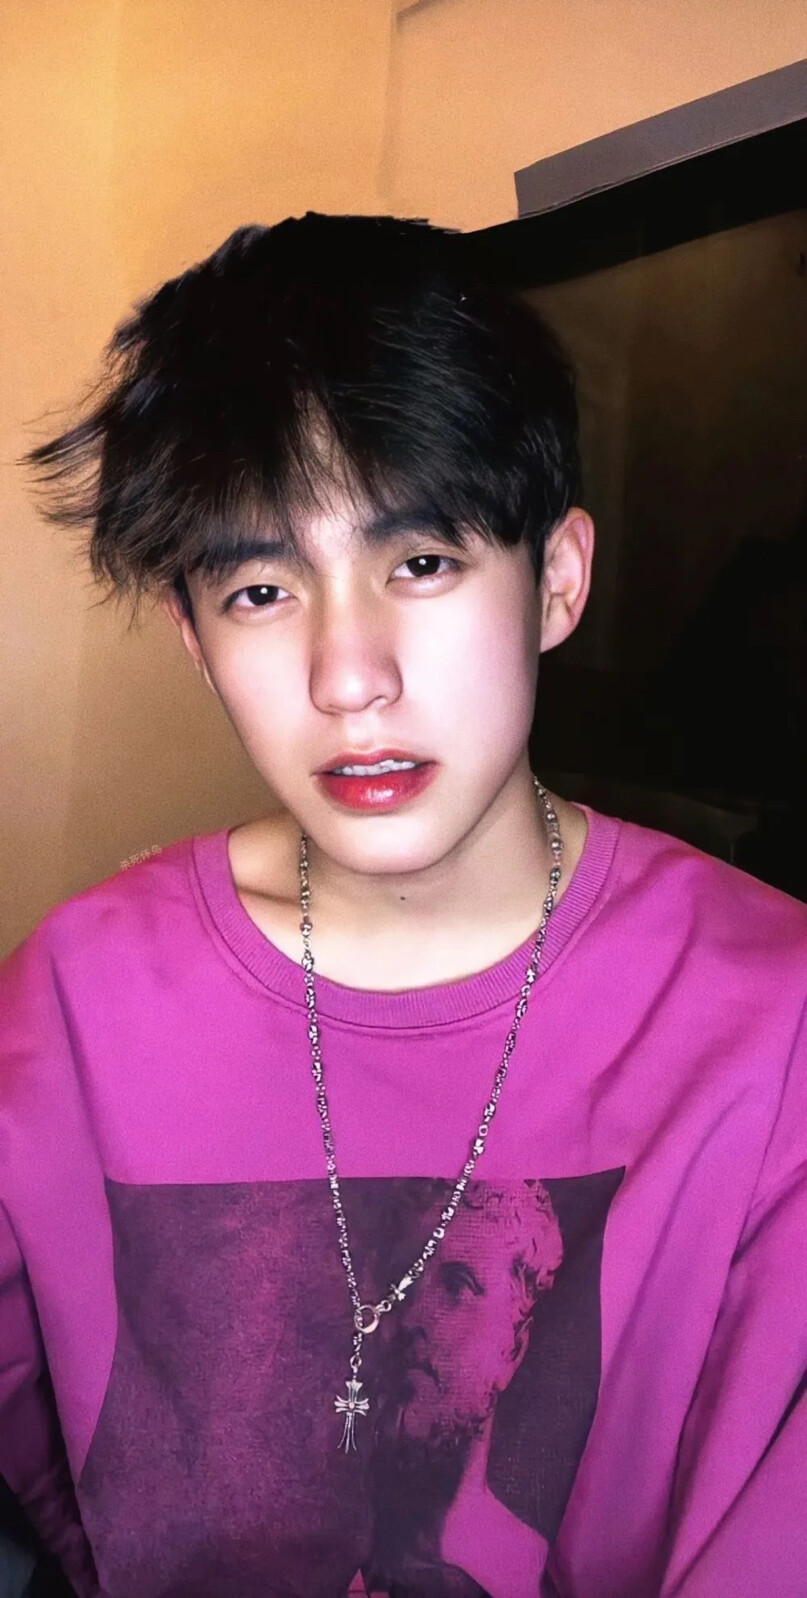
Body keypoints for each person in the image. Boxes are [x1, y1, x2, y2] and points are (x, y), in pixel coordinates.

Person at [0, 213, 804, 1598]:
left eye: (420, 561)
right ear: (195, 641)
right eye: (262, 589)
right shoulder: (79, 994)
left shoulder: (770, 1019)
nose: (347, 675)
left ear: (555, 579)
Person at [368, 1178, 562, 1597]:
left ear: (513, 1347)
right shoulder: (312, 1552)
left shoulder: (535, 1573)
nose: (411, 1317)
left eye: (457, 1285)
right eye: (402, 1284)